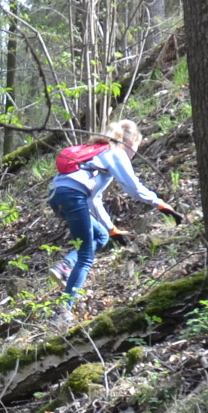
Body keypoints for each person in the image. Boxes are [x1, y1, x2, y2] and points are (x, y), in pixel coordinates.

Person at [48, 119, 179, 316]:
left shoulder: (96, 151)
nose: (135, 152)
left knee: (101, 236)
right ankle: (63, 312)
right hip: (73, 197)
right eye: (136, 146)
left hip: (57, 196)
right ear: (131, 141)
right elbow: (133, 187)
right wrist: (159, 203)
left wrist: (111, 229)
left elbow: (94, 199)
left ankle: (65, 265)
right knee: (86, 257)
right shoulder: (115, 152)